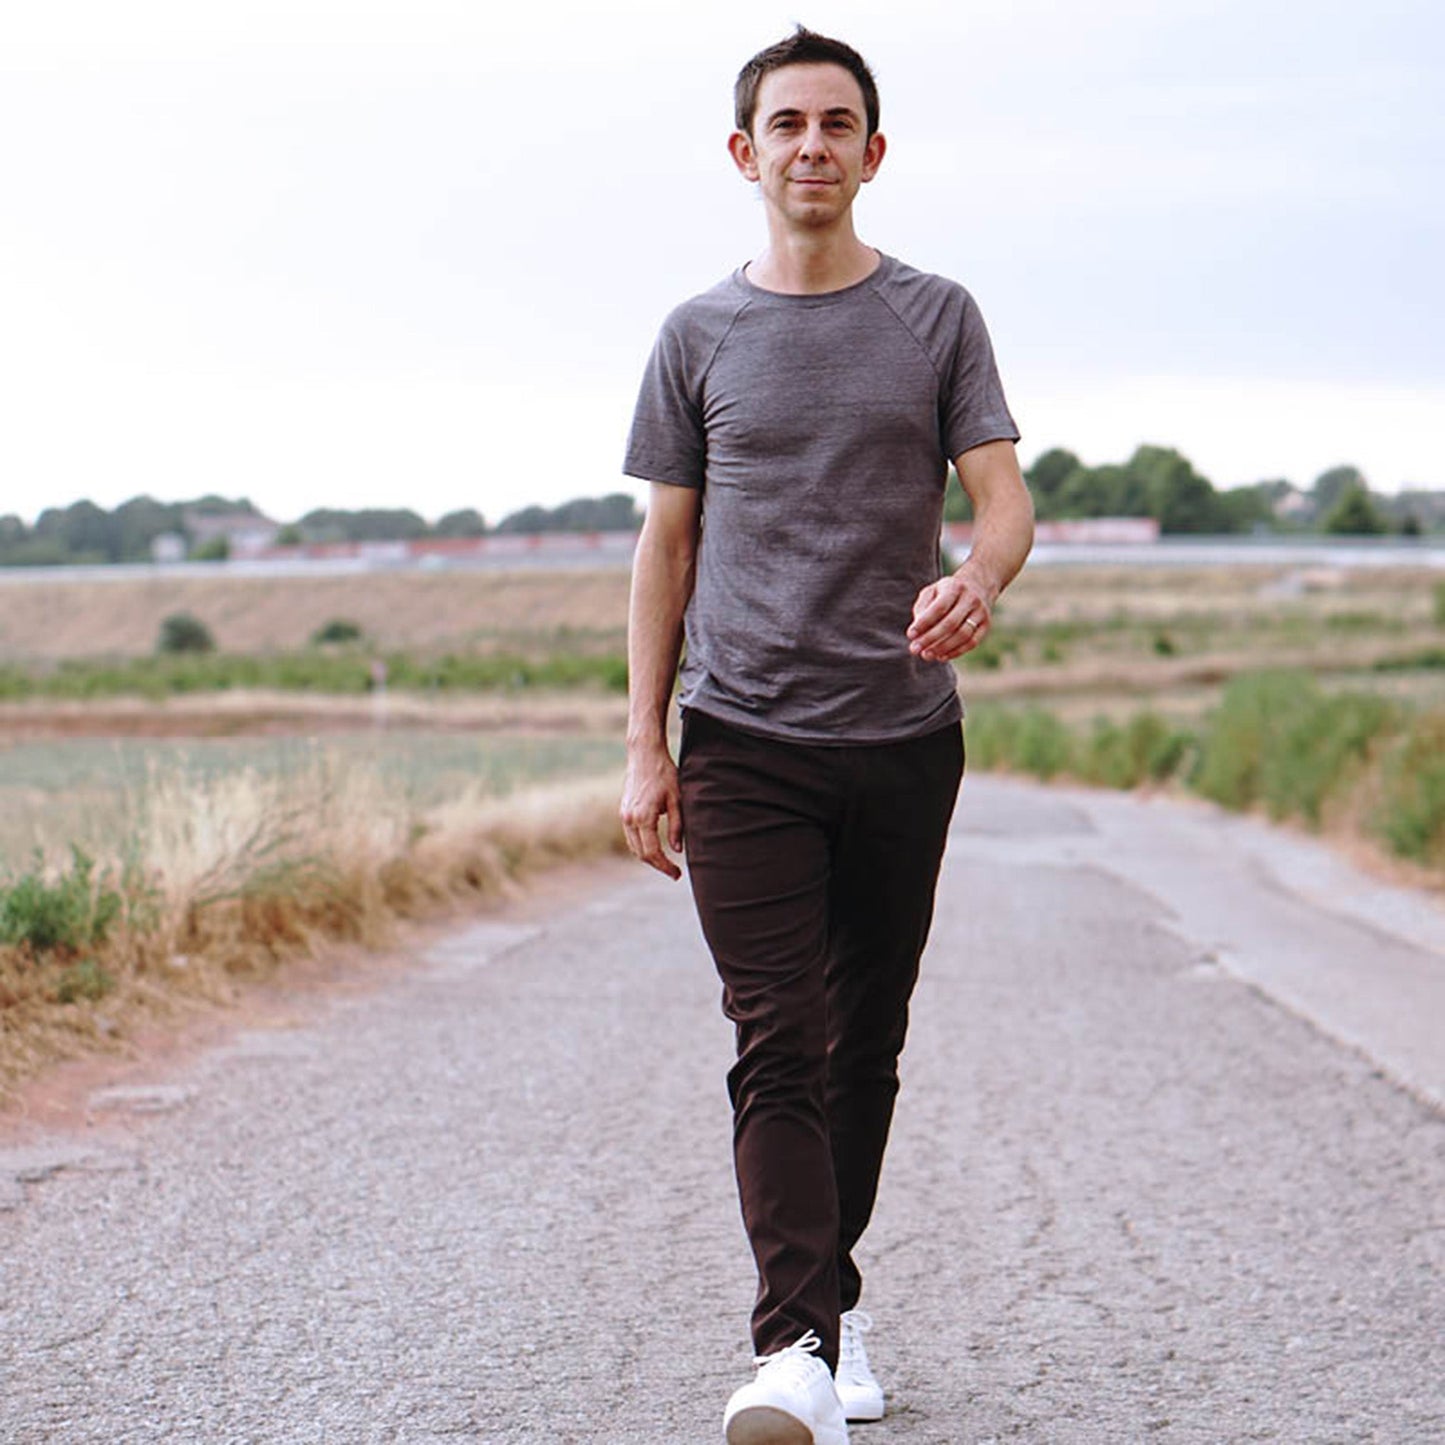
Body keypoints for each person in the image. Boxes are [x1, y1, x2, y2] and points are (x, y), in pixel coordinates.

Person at [620, 26, 1035, 1445]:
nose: (812, 145)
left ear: (872, 151)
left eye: (836, 123)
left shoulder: (936, 317)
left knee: (866, 1041)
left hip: (902, 737)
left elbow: (1001, 498)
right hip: (742, 736)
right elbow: (666, 547)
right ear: (746, 154)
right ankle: (792, 1349)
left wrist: (978, 578)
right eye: (786, 124)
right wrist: (645, 743)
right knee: (777, 1033)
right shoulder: (696, 336)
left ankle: (831, 1311)